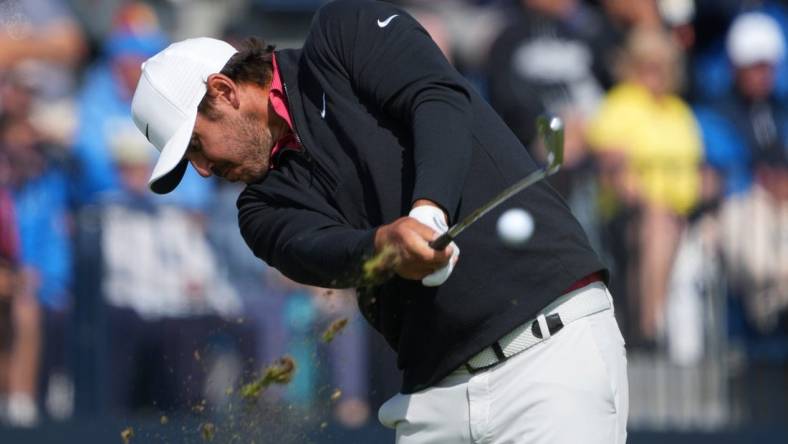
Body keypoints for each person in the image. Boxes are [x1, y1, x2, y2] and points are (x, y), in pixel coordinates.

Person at [131, 1, 627, 442]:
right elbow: (325, 255)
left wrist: (427, 211)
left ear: (224, 91)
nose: (201, 169)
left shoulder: (342, 32)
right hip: (432, 403)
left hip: (548, 356)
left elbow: (438, 97)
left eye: (196, 145)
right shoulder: (258, 209)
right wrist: (386, 246)